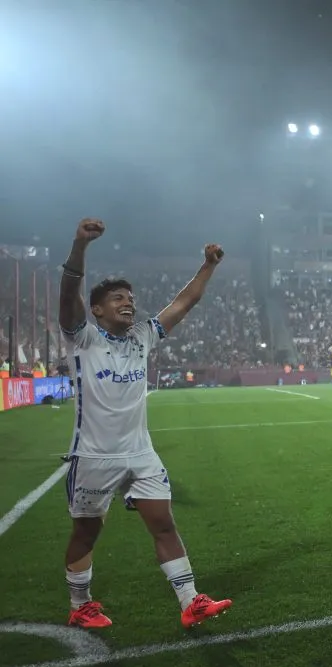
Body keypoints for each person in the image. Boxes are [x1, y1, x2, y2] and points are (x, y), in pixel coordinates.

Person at [59, 218, 232, 629]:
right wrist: (80, 245)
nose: (128, 302)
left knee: (164, 524)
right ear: (96, 309)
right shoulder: (82, 338)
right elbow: (68, 294)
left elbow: (184, 303)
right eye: (117, 298)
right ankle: (80, 604)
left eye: (130, 298)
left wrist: (208, 265)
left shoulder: (142, 336)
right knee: (86, 533)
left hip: (140, 454)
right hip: (94, 455)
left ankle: (190, 601)